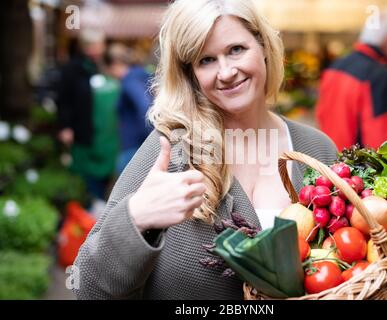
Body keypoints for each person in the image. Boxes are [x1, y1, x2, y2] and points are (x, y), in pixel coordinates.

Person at [73, 0, 337, 300]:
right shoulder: (171, 150)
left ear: (263, 46)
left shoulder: (317, 149)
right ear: (191, 74)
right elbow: (88, 289)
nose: (226, 72)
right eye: (206, 60)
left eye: (236, 49)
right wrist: (136, 219)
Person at [315, 9, 387, 157]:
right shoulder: (381, 76)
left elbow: (322, 116)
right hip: (363, 174)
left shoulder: (336, 66)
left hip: (337, 166)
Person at [56, 29, 119, 203]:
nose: (99, 49)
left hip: (106, 134)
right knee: (86, 173)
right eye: (95, 46)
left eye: (101, 45)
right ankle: (90, 205)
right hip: (83, 128)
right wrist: (65, 126)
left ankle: (98, 203)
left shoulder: (104, 65)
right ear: (85, 47)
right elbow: (63, 100)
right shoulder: (72, 69)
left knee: (106, 172)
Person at [104, 43, 155, 175]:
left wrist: (151, 139)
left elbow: (145, 107)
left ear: (114, 64)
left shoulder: (129, 80)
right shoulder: (142, 75)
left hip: (134, 147)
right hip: (141, 146)